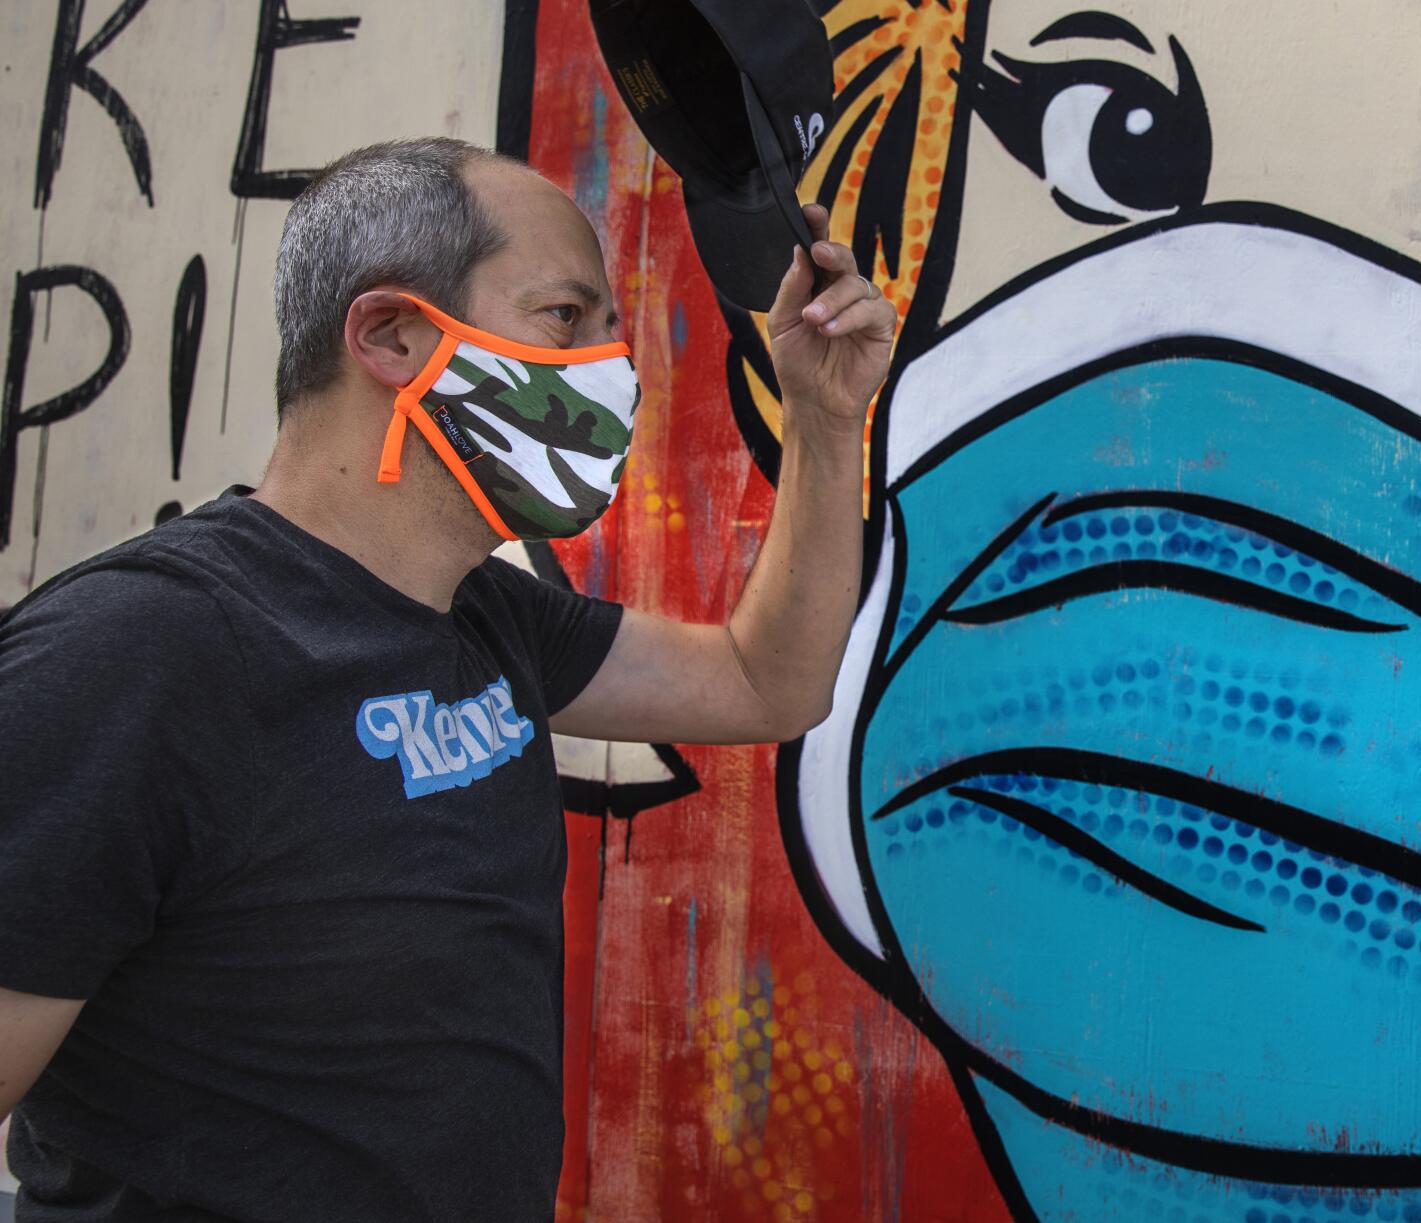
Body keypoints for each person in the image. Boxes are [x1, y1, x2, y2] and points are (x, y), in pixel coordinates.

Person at [0, 137, 895, 1220]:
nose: (614, 372)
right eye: (566, 319)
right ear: (390, 335)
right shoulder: (141, 654)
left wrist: (824, 415)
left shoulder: (487, 615)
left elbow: (767, 684)